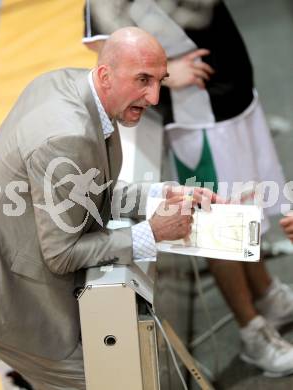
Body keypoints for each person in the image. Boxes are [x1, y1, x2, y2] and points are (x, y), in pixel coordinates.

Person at [0, 27, 221, 390]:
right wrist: (152, 233)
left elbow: (88, 192)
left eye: (160, 80)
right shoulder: (67, 135)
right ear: (105, 75)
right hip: (14, 301)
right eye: (142, 79)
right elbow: (62, 254)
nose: (154, 96)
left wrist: (162, 194)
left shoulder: (66, 84)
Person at [84, 0, 293, 377]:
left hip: (235, 99)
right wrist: (163, 75)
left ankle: (266, 295)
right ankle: (252, 333)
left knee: (249, 212)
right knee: (221, 226)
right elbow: (101, 42)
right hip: (199, 115)